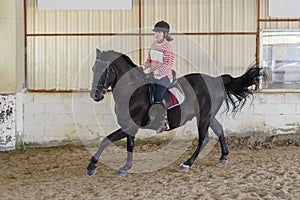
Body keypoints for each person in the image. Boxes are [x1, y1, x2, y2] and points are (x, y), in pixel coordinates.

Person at [141, 21, 175, 133]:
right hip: (153, 74)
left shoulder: (167, 47)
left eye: (159, 32)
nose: (157, 34)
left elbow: (167, 65)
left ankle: (164, 121)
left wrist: (157, 73)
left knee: (157, 95)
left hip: (164, 76)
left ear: (165, 34)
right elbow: (149, 61)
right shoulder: (154, 44)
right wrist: (142, 67)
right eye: (156, 32)